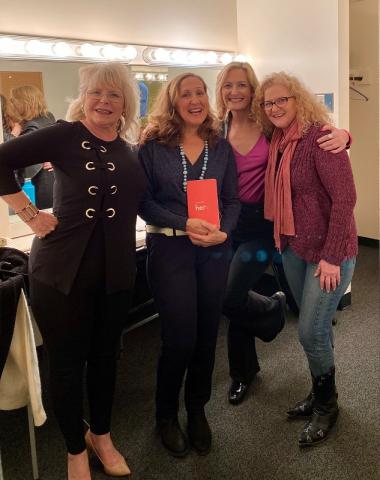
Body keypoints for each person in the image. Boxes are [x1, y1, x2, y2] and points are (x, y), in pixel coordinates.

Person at [0, 62, 146, 479]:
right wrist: (31, 215)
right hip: (61, 273)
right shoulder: (64, 134)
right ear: (85, 96)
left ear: (126, 103)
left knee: (106, 359)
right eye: (97, 92)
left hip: (116, 272)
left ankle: (100, 435)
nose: (104, 101)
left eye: (114, 94)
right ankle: (73, 449)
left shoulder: (128, 146)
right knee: (66, 364)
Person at [215, 62, 351, 406]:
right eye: (227, 85)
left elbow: (318, 143)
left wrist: (346, 135)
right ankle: (243, 372)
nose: (235, 92)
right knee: (234, 295)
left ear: (253, 91)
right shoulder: (216, 129)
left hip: (268, 223)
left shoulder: (268, 128)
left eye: (242, 85)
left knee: (243, 296)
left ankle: (320, 385)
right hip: (229, 223)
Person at [139, 73, 240, 457]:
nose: (195, 100)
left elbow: (232, 200)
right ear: (173, 100)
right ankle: (165, 415)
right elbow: (144, 203)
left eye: (200, 92)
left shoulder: (220, 144)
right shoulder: (151, 145)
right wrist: (184, 223)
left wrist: (224, 233)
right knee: (179, 339)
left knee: (205, 336)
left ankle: (197, 409)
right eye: (186, 94)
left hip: (213, 250)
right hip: (170, 250)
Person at [255, 71, 357, 447]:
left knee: (309, 331)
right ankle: (320, 392)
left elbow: (345, 200)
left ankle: (327, 406)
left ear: (299, 100)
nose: (276, 107)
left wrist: (332, 258)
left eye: (283, 99)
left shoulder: (320, 139)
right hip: (295, 248)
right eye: (269, 102)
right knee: (316, 328)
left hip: (330, 252)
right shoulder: (278, 139)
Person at [8, 85, 56, 209]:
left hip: (39, 183)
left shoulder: (32, 126)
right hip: (53, 180)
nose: (11, 103)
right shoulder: (48, 117)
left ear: (23, 103)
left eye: (13, 100)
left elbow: (14, 157)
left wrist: (15, 133)